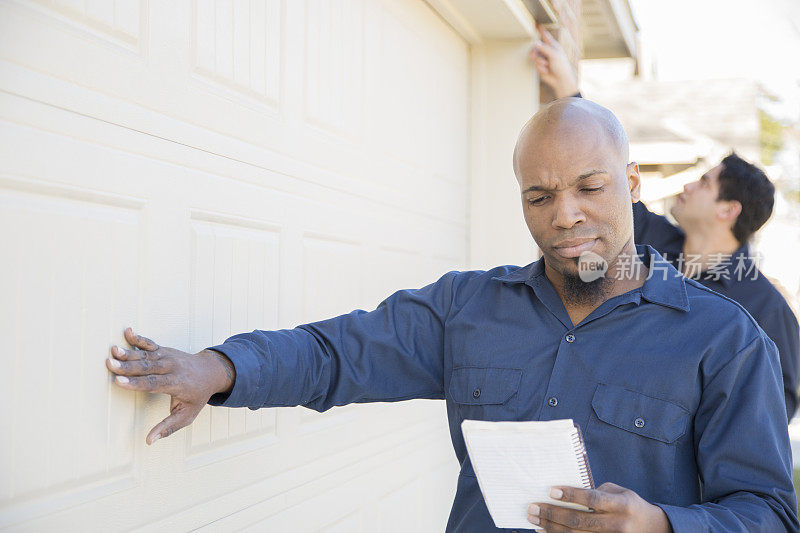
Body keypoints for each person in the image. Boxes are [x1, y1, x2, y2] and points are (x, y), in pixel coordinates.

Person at [106, 98, 798, 532]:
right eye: (539, 195)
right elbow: (339, 352)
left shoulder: (726, 340)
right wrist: (219, 367)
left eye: (590, 186)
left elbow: (768, 512)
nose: (566, 215)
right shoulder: (468, 309)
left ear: (633, 184)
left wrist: (661, 525)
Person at [533, 27, 800, 421]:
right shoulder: (655, 247)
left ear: (727, 210)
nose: (689, 184)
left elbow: (777, 407)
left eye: (705, 182)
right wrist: (569, 89)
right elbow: (610, 189)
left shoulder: (765, 306)